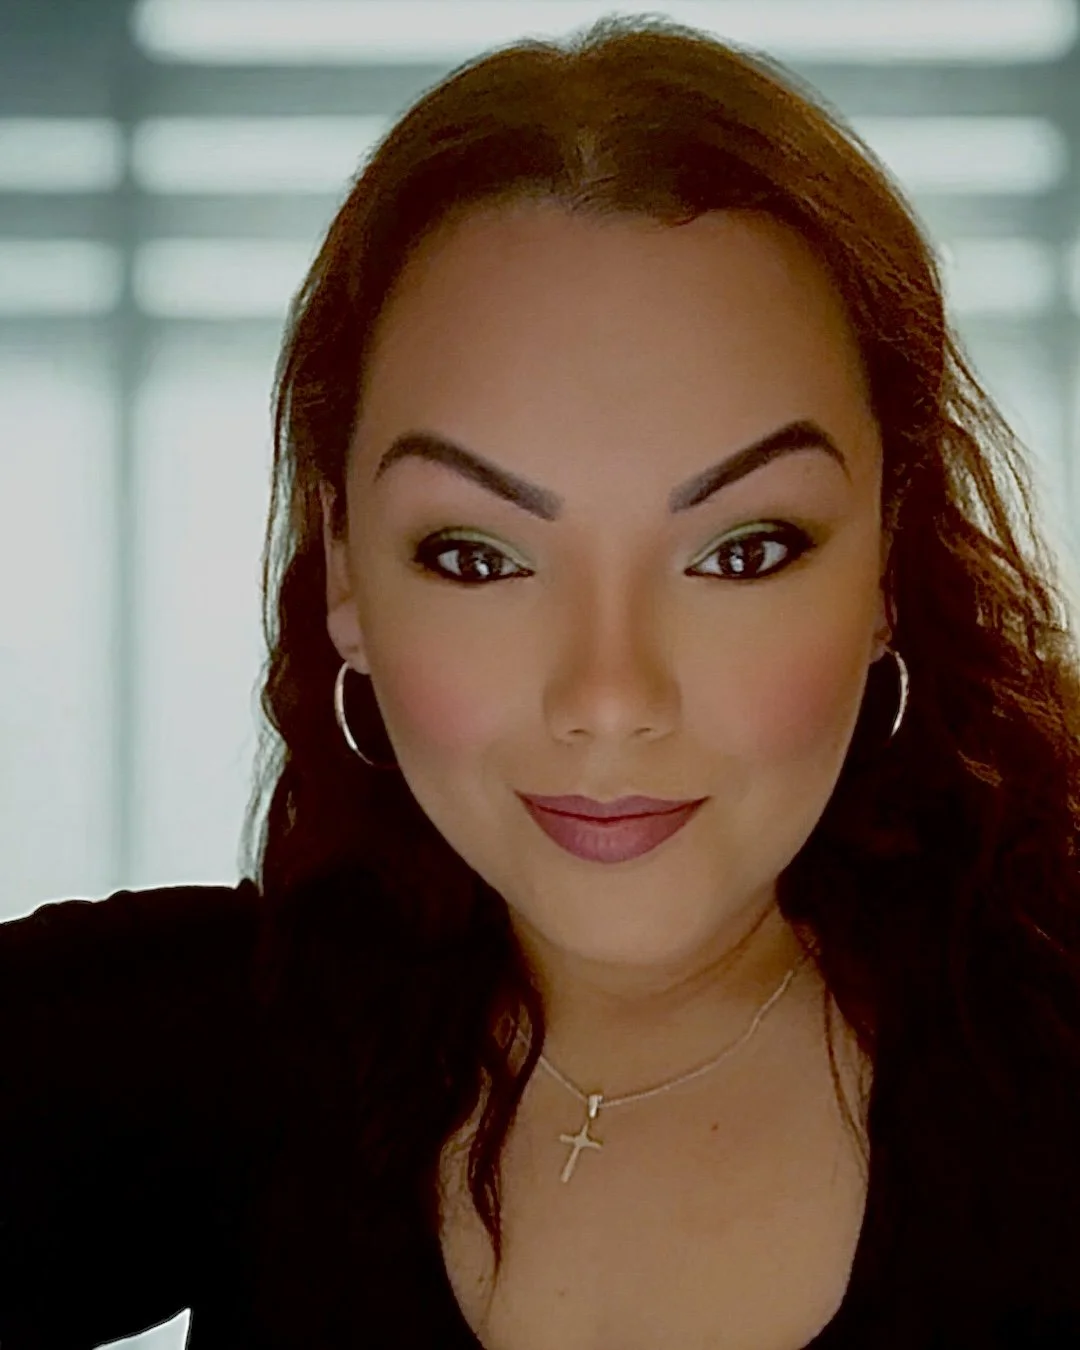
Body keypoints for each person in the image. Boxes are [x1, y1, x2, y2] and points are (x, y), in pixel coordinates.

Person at [3, 12, 1080, 1349]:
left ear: (888, 571)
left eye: (742, 549)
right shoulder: (224, 1051)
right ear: (343, 568)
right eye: (479, 553)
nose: (609, 693)